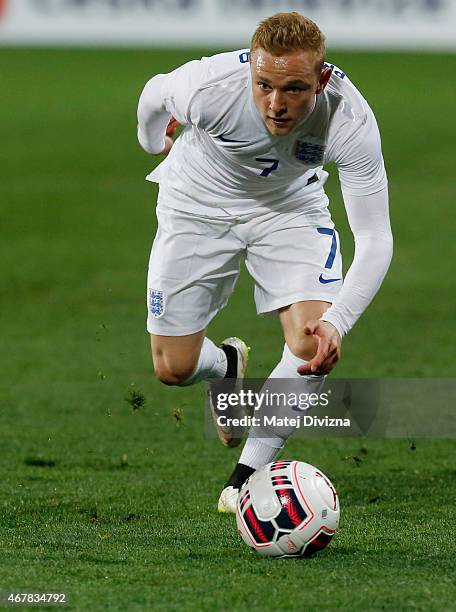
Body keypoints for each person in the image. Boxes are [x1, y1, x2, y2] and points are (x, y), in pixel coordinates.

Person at [137, 12, 393, 513]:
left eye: (294, 88)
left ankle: (244, 478)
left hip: (290, 211)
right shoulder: (207, 87)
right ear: (251, 70)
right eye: (264, 85)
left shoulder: (349, 120)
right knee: (173, 368)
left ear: (320, 79)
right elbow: (153, 93)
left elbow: (376, 237)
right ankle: (226, 366)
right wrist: (154, 143)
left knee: (310, 341)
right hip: (195, 202)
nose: (276, 103)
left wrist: (338, 321)